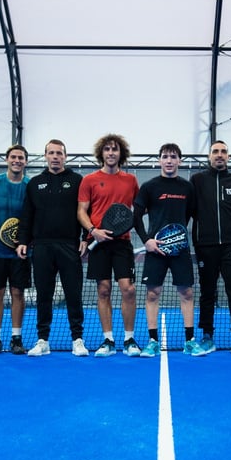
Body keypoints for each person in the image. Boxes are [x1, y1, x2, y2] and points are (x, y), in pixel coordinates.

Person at [16, 139, 89, 357]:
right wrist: (22, 240)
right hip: (41, 247)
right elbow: (27, 215)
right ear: (45, 156)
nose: (55, 156)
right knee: (43, 295)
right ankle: (43, 340)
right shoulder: (34, 183)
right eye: (51, 153)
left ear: (65, 156)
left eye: (59, 153)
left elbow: (86, 211)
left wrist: (86, 237)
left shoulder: (78, 181)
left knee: (74, 294)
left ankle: (77, 339)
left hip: (70, 246)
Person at [133, 143, 204, 357]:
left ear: (180, 160)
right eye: (165, 156)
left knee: (187, 293)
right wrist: (147, 240)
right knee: (153, 293)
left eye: (173, 156)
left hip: (180, 251)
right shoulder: (149, 187)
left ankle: (190, 341)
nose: (169, 160)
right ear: (159, 160)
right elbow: (135, 216)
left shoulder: (187, 187)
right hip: (156, 251)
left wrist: (178, 239)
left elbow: (191, 214)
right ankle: (153, 341)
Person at [77, 134, 140, 357]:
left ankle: (129, 339)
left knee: (128, 290)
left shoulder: (131, 181)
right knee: (103, 290)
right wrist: (93, 232)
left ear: (121, 153)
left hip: (122, 244)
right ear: (101, 153)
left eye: (115, 149)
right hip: (98, 243)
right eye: (107, 149)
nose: (111, 153)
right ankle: (108, 340)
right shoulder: (89, 180)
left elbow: (138, 211)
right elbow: (81, 212)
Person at [190, 140, 231, 356]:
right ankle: (207, 337)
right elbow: (187, 212)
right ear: (209, 156)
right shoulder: (196, 180)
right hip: (205, 246)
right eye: (215, 151)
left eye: (223, 152)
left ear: (228, 156)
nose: (219, 155)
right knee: (207, 293)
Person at [0, 144, 31, 356]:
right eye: (13, 157)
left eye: (21, 157)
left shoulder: (30, 186)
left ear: (26, 162)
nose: (17, 160)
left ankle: (16, 338)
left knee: (18, 293)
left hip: (22, 252)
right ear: (6, 159)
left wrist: (28, 242)